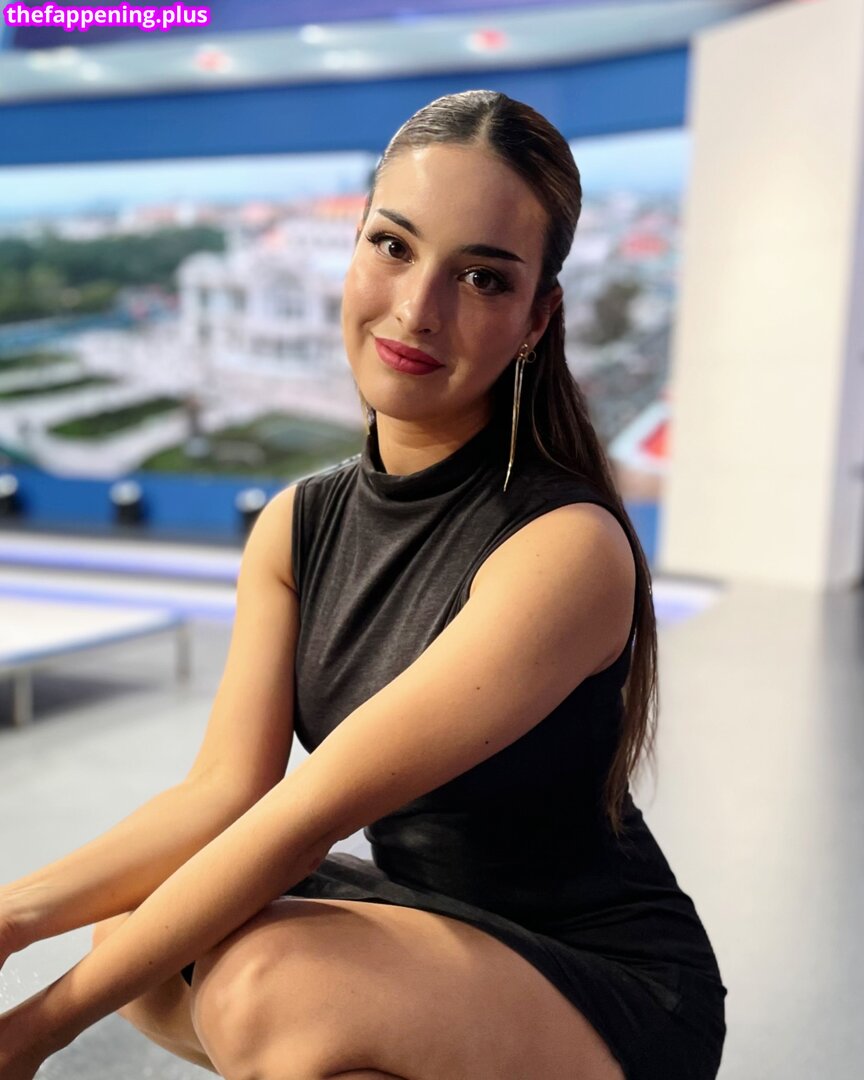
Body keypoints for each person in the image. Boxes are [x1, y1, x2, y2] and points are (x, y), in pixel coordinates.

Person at [0, 90, 726, 1080]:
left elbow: (306, 815)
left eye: (481, 277)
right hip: (428, 924)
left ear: (536, 318)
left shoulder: (564, 547)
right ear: (352, 250)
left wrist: (32, 1034)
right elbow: (223, 793)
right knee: (135, 935)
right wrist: (12, 917)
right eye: (393, 246)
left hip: (607, 985)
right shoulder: (299, 523)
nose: (418, 309)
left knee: (268, 985)